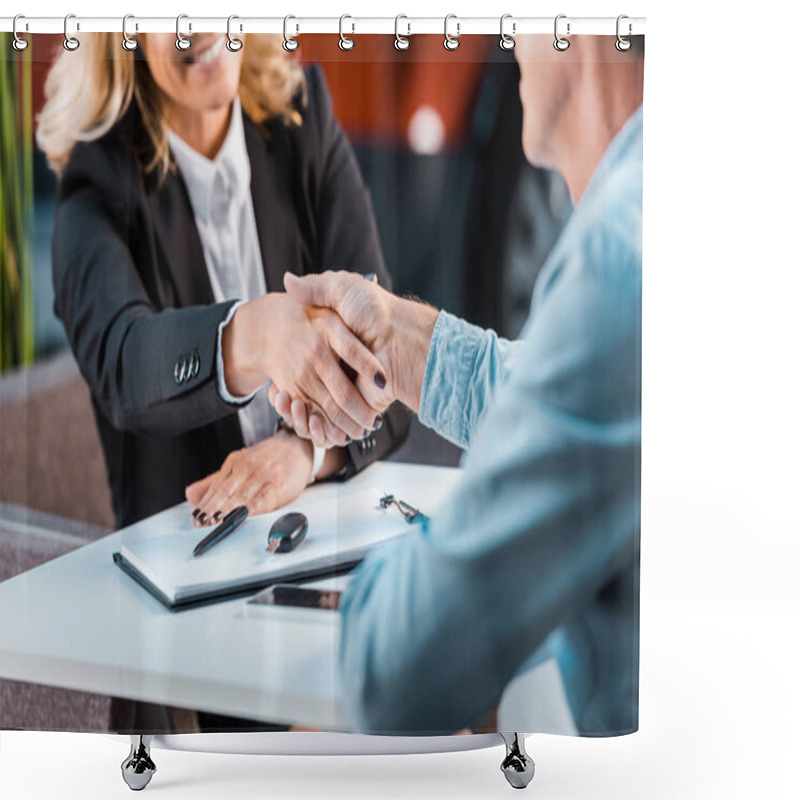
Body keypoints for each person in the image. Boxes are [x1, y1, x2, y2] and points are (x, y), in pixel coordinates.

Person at [268, 33, 644, 734]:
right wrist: (396, 335)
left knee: (318, 745)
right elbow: (574, 393)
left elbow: (401, 669)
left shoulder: (618, 259)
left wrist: (382, 574)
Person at [38, 32, 407, 733]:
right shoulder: (97, 179)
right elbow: (125, 363)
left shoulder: (304, 119)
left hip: (335, 579)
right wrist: (254, 333)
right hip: (195, 642)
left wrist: (304, 453)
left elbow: (390, 374)